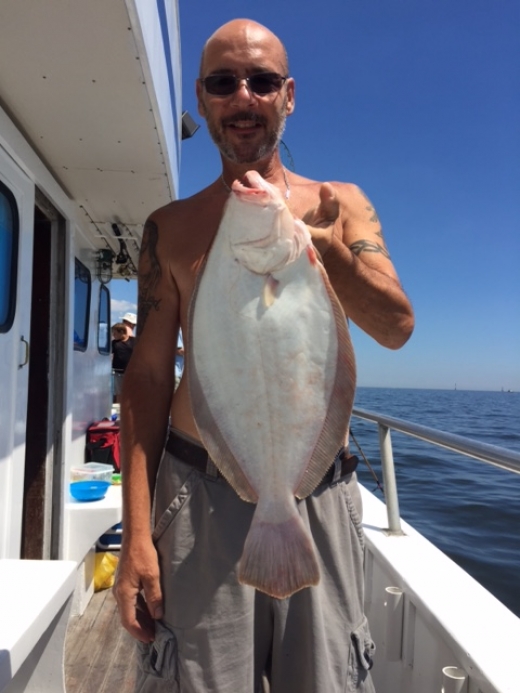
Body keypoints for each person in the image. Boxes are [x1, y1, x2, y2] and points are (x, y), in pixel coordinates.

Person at [114, 18, 414, 693]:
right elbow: (149, 377)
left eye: (262, 81)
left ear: (289, 95)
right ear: (202, 96)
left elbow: (395, 326)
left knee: (329, 679)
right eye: (223, 83)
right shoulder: (172, 228)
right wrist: (136, 532)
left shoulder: (341, 206)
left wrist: (332, 256)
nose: (243, 96)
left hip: (317, 487)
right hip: (197, 497)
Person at [111, 323, 135, 403]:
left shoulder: (133, 341)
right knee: (119, 393)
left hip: (131, 373)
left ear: (121, 332)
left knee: (131, 393)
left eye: (115, 333)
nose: (113, 335)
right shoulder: (114, 343)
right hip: (118, 372)